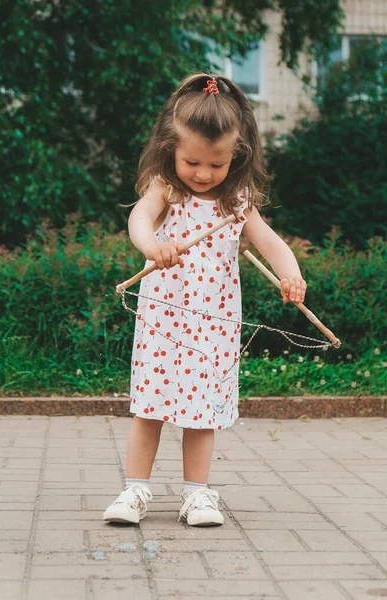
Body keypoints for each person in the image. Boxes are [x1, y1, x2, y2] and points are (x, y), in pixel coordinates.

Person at [103, 73, 306, 527]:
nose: (202, 173)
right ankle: (135, 490)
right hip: (162, 319)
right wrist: (151, 246)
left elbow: (273, 245)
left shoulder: (237, 202)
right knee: (150, 407)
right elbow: (140, 219)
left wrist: (290, 272)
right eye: (192, 161)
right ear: (169, 148)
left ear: (236, 155)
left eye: (215, 165)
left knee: (201, 415)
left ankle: (197, 495)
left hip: (213, 324)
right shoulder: (165, 188)